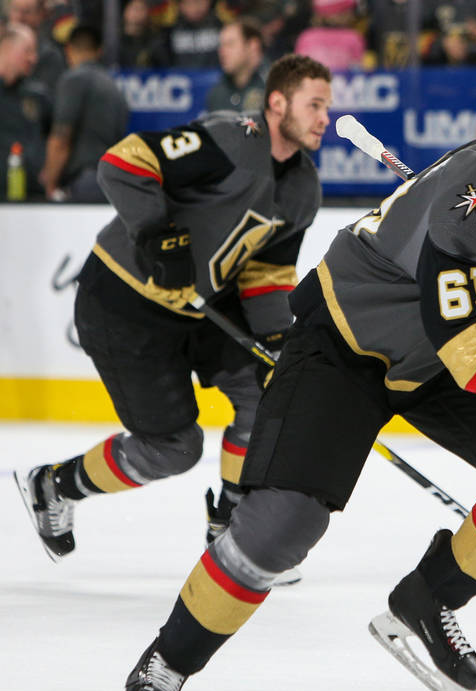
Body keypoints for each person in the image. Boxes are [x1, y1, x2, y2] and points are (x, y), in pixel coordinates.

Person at [112, 61, 476, 691]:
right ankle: (169, 658)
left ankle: (426, 602)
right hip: (345, 345)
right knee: (282, 525)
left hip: (433, 351)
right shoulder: (469, 208)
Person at [14, 55, 331, 580]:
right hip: (123, 304)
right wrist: (158, 232)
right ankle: (53, 485)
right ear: (277, 103)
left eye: (326, 106)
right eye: (314, 105)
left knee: (266, 389)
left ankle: (232, 530)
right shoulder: (230, 140)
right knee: (175, 448)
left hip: (201, 307)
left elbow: (266, 273)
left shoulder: (303, 188)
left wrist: (280, 340)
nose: (324, 118)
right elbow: (125, 161)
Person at [38, 24, 129, 202]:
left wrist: (50, 183)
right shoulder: (114, 88)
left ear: (68, 49)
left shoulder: (74, 79)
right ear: (99, 51)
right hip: (110, 181)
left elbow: (61, 139)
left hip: (83, 181)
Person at [0, 23, 50, 200]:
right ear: (6, 47)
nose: (33, 58)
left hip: (33, 196)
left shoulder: (37, 96)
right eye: (27, 50)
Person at [205, 18, 266, 112]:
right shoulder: (217, 93)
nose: (222, 52)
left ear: (253, 46)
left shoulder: (273, 85)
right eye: (221, 45)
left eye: (230, 44)